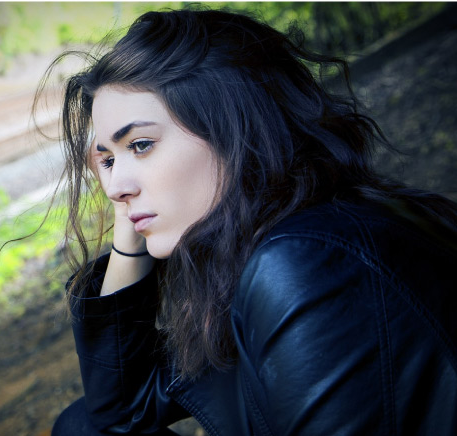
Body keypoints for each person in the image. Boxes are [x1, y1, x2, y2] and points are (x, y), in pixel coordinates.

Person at [38, 7, 457, 436]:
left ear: (234, 129)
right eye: (106, 159)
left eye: (141, 145)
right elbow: (121, 408)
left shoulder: (307, 263)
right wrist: (131, 228)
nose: (114, 187)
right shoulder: (260, 242)